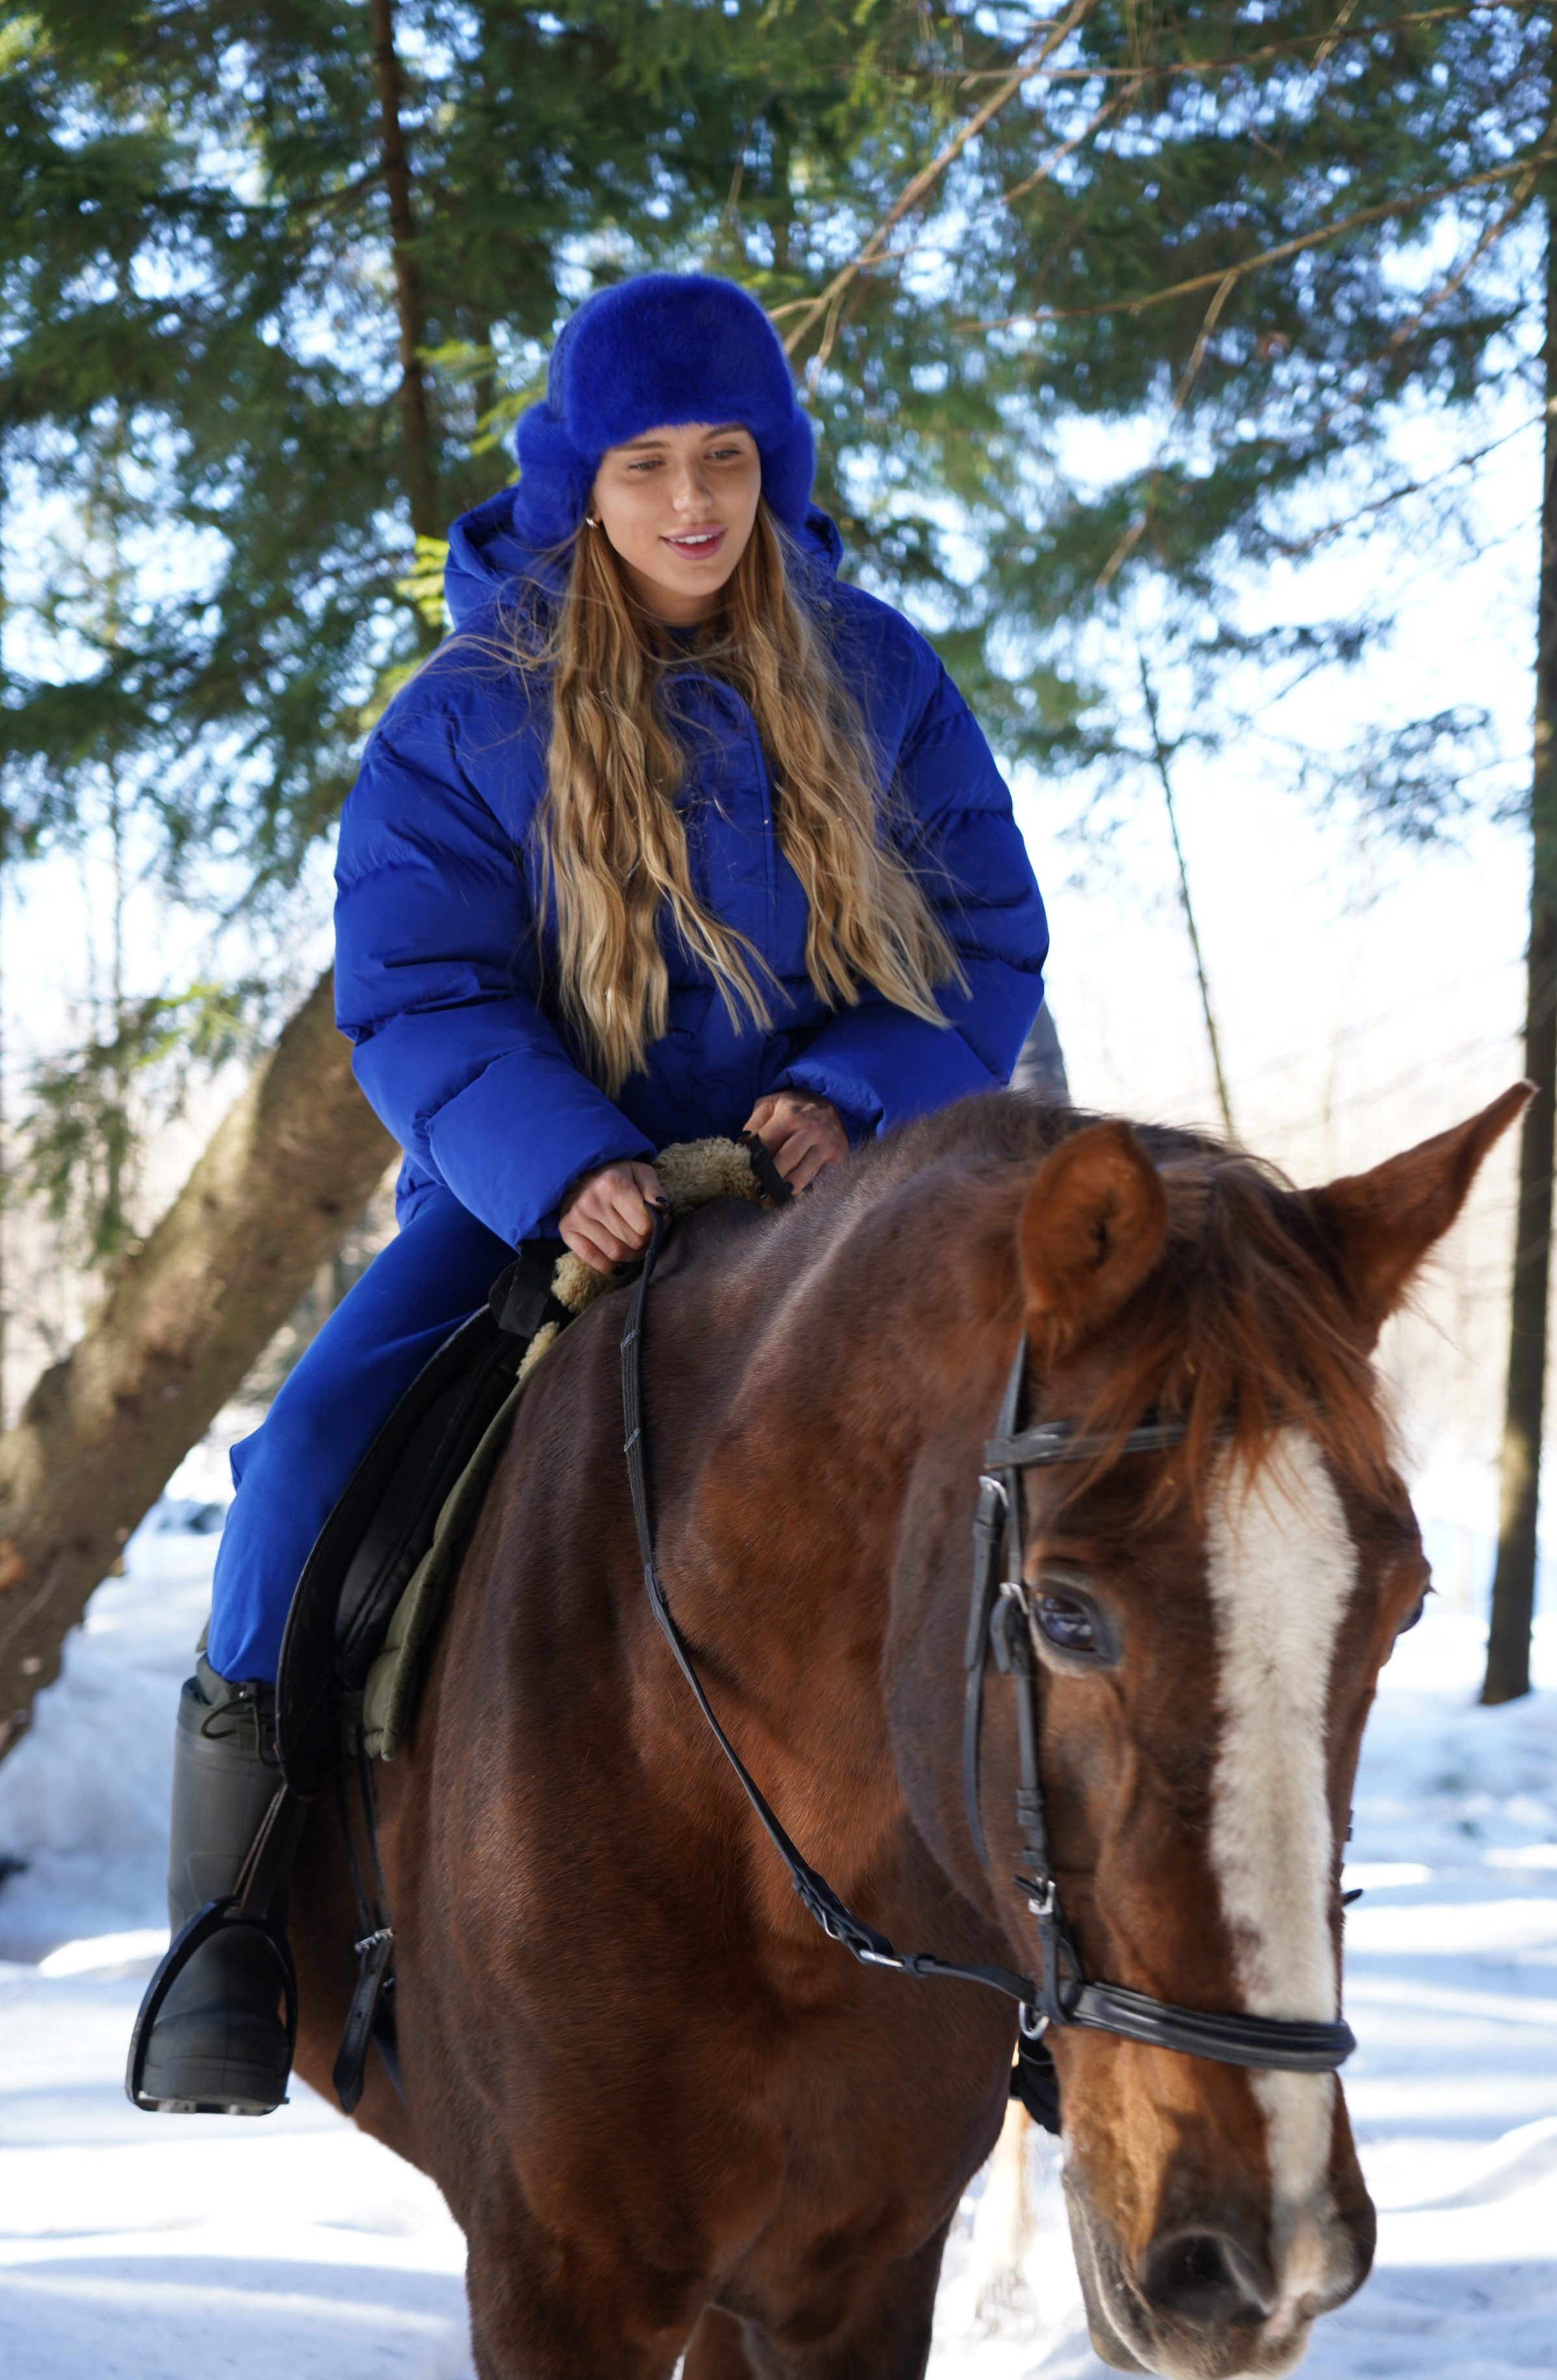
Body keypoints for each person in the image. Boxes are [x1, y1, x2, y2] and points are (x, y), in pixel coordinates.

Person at [137, 272, 1049, 2115]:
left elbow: (979, 940)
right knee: (302, 1465)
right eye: (648, 465)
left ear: (774, 464)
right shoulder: (461, 720)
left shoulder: (880, 676)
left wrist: (856, 1098)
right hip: (538, 1193)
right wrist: (568, 1164)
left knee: (1079, 1474)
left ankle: (1065, 1950)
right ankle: (232, 1926)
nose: (694, 501)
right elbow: (421, 992)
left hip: (839, 1191)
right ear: (582, 479)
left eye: (727, 457)